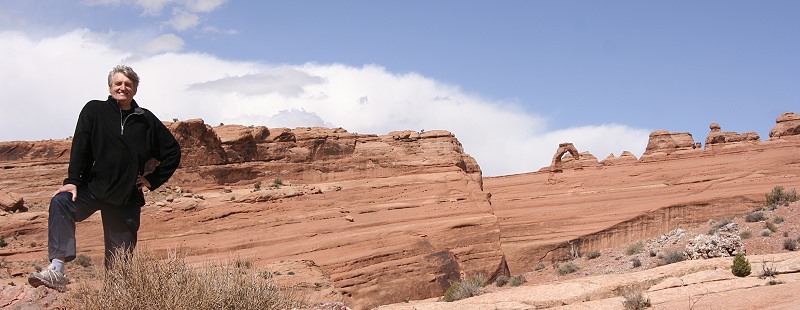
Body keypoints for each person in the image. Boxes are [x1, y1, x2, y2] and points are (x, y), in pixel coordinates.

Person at [28, 65, 181, 291]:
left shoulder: (146, 120)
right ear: (110, 87)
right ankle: (57, 270)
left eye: (128, 84)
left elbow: (172, 152)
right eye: (118, 83)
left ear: (135, 89)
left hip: (126, 197)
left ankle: (116, 297)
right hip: (93, 188)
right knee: (61, 202)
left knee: (120, 268)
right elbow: (80, 146)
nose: (123, 87)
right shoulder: (94, 110)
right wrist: (72, 181)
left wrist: (152, 179)